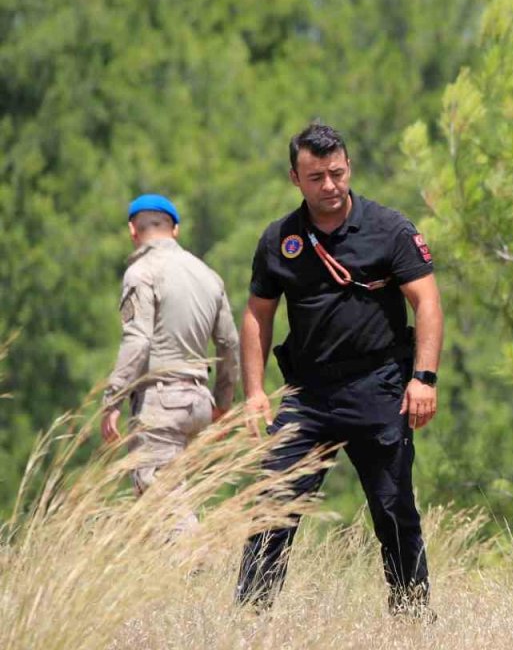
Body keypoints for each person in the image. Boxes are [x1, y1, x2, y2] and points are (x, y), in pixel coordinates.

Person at [234, 123, 443, 619]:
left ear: (348, 168)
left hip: (380, 387)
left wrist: (424, 378)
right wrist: (254, 392)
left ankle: (412, 616)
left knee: (393, 511)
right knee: (273, 505)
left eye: (336, 173)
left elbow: (427, 303)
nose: (329, 185)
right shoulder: (279, 239)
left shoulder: (389, 229)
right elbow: (256, 314)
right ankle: (249, 619)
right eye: (315, 177)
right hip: (308, 396)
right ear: (295, 178)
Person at [101, 194, 240, 535]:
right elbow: (229, 344)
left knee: (161, 503)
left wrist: (112, 400)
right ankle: (176, 583)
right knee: (173, 499)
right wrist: (222, 403)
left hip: (161, 401)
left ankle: (200, 568)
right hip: (198, 403)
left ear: (133, 230)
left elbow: (138, 340)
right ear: (175, 229)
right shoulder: (208, 276)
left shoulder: (141, 273)